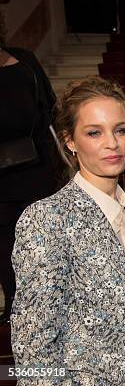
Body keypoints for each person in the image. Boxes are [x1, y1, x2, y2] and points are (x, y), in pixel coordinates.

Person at [11, 76, 125, 384]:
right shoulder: (47, 219)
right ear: (69, 141)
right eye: (94, 133)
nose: (112, 143)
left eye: (121, 130)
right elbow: (32, 347)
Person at [0, 44, 57, 324]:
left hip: (38, 169)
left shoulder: (24, 59)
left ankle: (52, 304)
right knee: (5, 246)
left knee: (43, 243)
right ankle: (15, 305)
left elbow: (49, 105)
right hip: (1, 184)